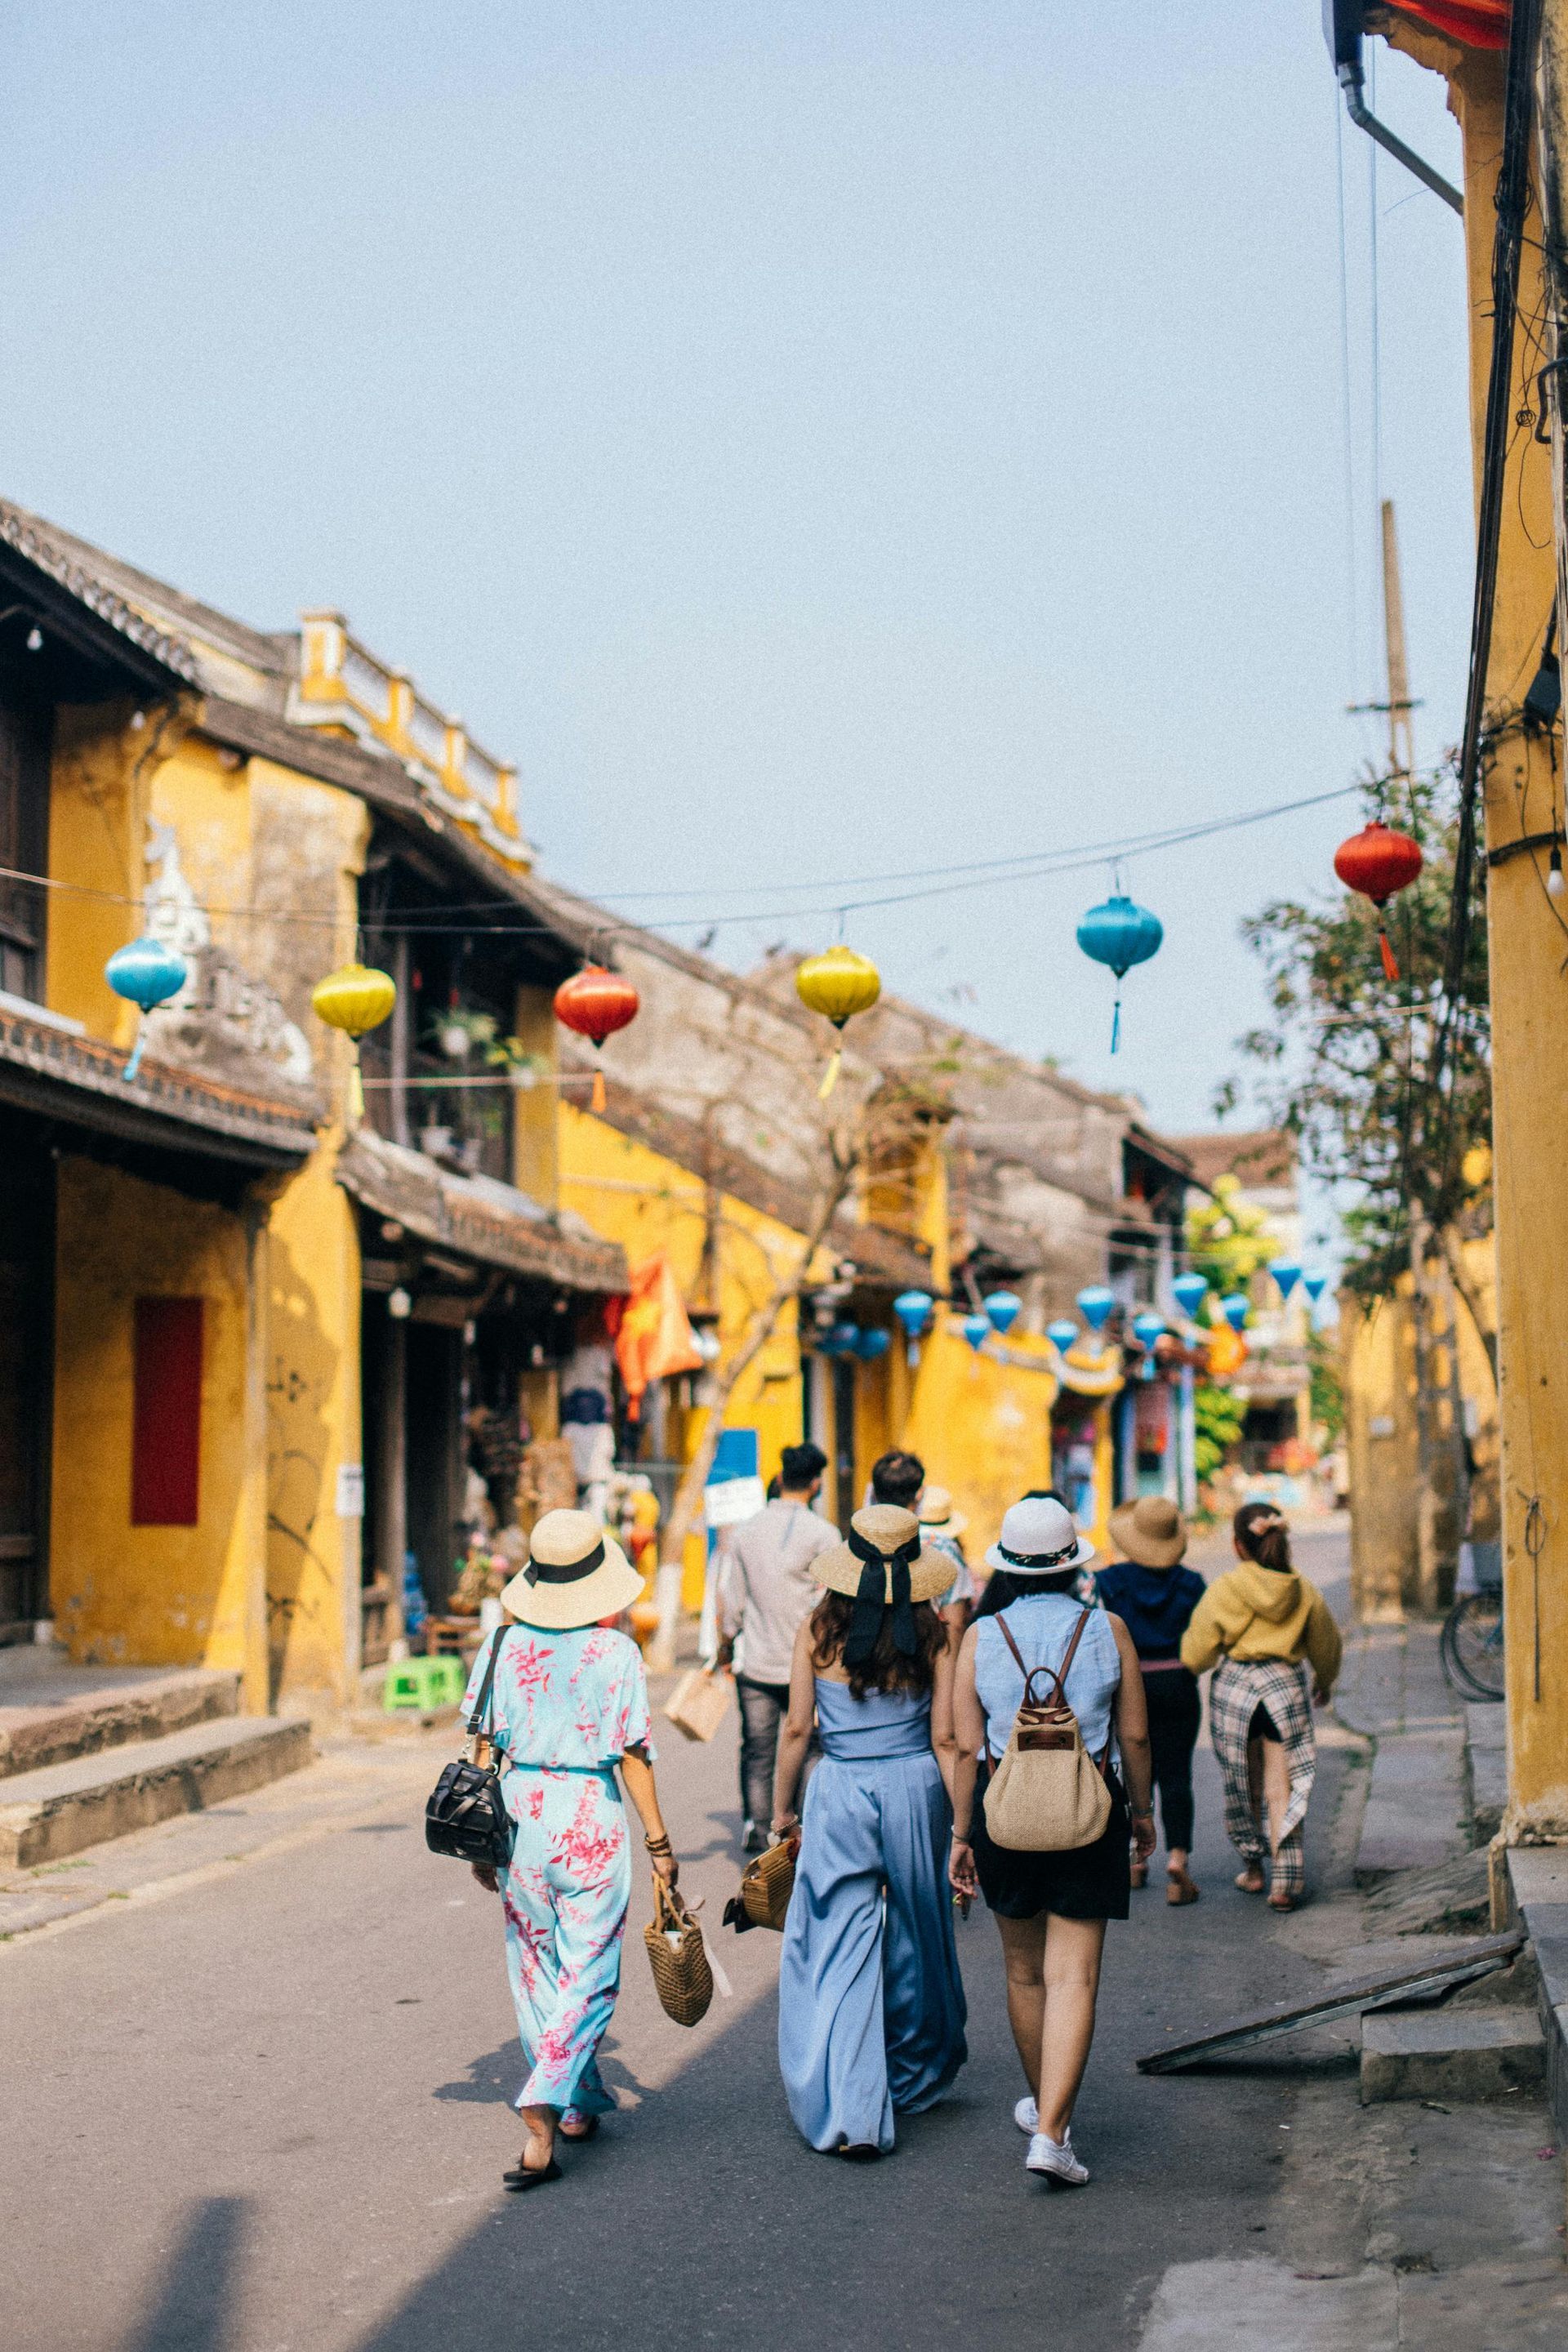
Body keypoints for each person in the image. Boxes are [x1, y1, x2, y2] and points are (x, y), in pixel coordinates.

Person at [462, 1508, 679, 2190]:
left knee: (536, 1966)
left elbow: (481, 1746)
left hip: (519, 1816)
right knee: (589, 1970)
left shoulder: (499, 1646)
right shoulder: (614, 1653)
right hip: (588, 1814)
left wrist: (480, 1839)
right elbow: (633, 1753)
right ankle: (547, 2093)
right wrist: (659, 1841)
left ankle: (576, 2104)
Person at [947, 1495, 1155, 2189]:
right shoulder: (1110, 1630)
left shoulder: (981, 1636)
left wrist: (961, 1835)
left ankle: (1047, 2111)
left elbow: (964, 1747)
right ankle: (1051, 2131)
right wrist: (1146, 1813)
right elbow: (1135, 1737)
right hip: (1089, 1817)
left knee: (1024, 1973)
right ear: (1072, 1567)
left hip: (1005, 1819)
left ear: (1008, 1566)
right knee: (1075, 1977)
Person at [773, 1506, 968, 2158]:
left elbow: (798, 1728)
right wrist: (964, 1826)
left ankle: (856, 2108)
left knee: (839, 1942)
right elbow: (946, 1737)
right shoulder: (935, 1633)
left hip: (840, 1790)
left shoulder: (817, 1630)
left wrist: (781, 1812)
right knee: (920, 1931)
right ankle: (912, 2076)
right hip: (916, 1787)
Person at [1180, 1502, 1343, 1913]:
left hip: (1235, 1689)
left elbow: (1196, 1653)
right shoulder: (1303, 1590)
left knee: (1241, 1782)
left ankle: (1253, 1870)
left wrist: (1198, 1662)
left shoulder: (1226, 1588)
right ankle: (1285, 1882)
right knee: (1279, 1788)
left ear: (1237, 1545)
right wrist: (1323, 1681)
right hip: (1284, 1689)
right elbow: (1327, 1646)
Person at [715, 1442, 835, 1852]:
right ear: (816, 1483)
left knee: (758, 1750)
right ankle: (797, 1830)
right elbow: (831, 1603)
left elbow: (733, 1601)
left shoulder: (748, 1531)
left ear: (781, 1478)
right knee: (808, 1747)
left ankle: (757, 1824)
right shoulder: (824, 1535)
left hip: (758, 1664)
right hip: (809, 1667)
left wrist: (726, 1646)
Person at [1096, 1496, 1206, 1905]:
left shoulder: (1109, 1582)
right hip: (1178, 1683)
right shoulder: (1192, 1583)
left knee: (1128, 1772)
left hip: (1130, 1685)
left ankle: (1134, 1862)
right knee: (1178, 1775)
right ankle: (1178, 1861)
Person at [872, 1448, 976, 1634]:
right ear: (920, 1494)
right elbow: (955, 1623)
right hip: (922, 1658)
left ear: (875, 1494)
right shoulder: (944, 1549)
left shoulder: (859, 1545)